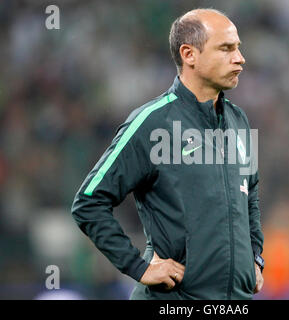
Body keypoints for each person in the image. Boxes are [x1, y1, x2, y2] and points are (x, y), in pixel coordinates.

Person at [71, 8, 264, 300]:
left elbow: (249, 195)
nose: (240, 58)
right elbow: (89, 202)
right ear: (189, 54)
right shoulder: (152, 123)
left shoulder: (239, 120)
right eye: (226, 48)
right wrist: (138, 266)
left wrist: (256, 258)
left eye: (238, 48)